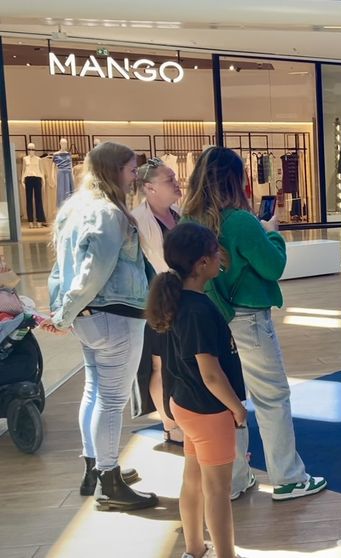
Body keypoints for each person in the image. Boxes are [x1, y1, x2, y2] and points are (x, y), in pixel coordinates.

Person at [181, 146, 326, 501]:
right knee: (272, 397)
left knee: (230, 400)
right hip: (247, 319)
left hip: (209, 320)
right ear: (235, 179)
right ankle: (288, 477)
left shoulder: (188, 221)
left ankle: (234, 479)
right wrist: (273, 232)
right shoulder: (240, 221)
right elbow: (273, 266)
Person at [43, 141, 158, 511]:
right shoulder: (110, 213)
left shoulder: (74, 209)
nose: (133, 177)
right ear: (113, 171)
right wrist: (65, 312)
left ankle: (96, 469)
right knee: (111, 400)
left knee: (95, 392)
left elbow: (60, 270)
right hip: (115, 316)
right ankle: (109, 482)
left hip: (91, 319)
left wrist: (64, 310)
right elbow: (95, 270)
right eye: (129, 169)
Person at [145, 223, 246, 558]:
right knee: (218, 489)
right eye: (216, 252)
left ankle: (194, 549)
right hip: (208, 410)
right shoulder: (198, 310)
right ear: (202, 263)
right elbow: (211, 374)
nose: (221, 257)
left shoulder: (176, 303)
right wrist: (237, 408)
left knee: (193, 479)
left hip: (186, 407)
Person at [131, 158, 184, 445]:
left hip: (178, 297)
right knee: (159, 363)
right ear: (150, 188)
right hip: (157, 301)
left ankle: (178, 420)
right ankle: (169, 424)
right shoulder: (138, 220)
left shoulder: (176, 214)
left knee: (176, 361)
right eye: (169, 179)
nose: (176, 182)